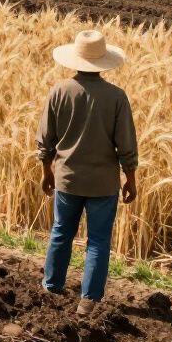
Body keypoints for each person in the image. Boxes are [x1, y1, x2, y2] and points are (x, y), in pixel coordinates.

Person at [37, 29, 138, 317]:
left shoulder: (59, 91)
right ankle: (88, 300)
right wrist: (130, 179)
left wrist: (47, 171)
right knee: (98, 240)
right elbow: (126, 144)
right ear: (104, 61)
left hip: (67, 178)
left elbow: (45, 140)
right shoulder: (117, 97)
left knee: (60, 233)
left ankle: (51, 286)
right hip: (104, 184)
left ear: (75, 59)